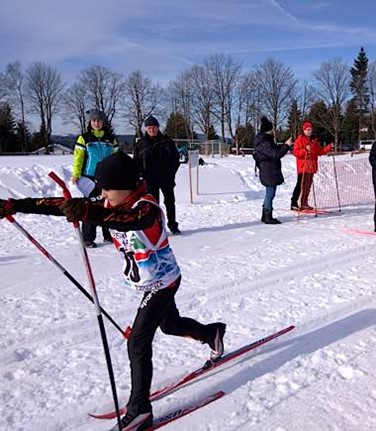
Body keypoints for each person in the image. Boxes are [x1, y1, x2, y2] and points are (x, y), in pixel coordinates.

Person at [0, 152, 226, 431]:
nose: (102, 193)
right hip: (151, 282)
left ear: (128, 186)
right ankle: (211, 334)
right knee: (169, 325)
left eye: (107, 187)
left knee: (138, 343)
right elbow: (63, 204)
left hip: (163, 282)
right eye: (101, 188)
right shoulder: (109, 201)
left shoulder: (148, 207)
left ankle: (140, 410)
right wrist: (15, 205)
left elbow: (131, 220)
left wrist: (90, 213)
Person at [72, 109, 119, 247]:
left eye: (98, 120)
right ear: (90, 122)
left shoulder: (111, 139)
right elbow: (78, 157)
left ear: (103, 122)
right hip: (89, 177)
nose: (96, 123)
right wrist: (76, 174)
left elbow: (116, 158)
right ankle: (88, 237)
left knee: (107, 205)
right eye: (93, 121)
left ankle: (108, 235)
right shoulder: (84, 138)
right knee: (91, 206)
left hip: (107, 176)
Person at [133, 116, 182, 234]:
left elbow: (176, 159)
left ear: (158, 128)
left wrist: (171, 173)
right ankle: (156, 226)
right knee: (153, 205)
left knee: (170, 202)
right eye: (149, 128)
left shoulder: (167, 141)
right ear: (146, 129)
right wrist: (140, 175)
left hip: (166, 178)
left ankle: (173, 225)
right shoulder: (141, 143)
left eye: (154, 127)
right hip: (150, 180)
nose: (152, 130)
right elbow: (136, 162)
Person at [253, 117, 292, 224]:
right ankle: (267, 216)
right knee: (270, 194)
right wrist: (286, 146)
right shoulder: (264, 142)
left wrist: (283, 146)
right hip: (268, 171)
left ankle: (265, 215)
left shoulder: (265, 141)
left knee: (270, 194)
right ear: (269, 130)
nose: (274, 131)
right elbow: (275, 154)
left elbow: (274, 151)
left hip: (269, 170)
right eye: (273, 129)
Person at [290, 121, 333, 211]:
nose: (310, 131)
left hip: (311, 167)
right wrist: (305, 150)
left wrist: (328, 148)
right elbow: (296, 153)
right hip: (303, 167)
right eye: (308, 130)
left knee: (307, 186)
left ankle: (304, 203)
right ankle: (294, 203)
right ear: (304, 130)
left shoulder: (314, 140)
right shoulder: (300, 140)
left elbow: (319, 151)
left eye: (311, 129)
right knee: (300, 185)